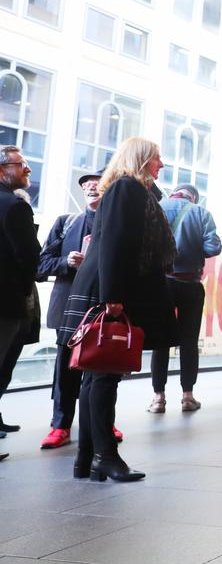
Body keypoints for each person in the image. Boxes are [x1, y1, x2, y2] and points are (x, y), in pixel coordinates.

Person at [57, 137, 176, 481]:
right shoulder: (127, 188)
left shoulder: (126, 189)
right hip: (110, 292)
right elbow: (112, 245)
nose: (161, 164)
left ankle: (88, 459)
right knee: (103, 375)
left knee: (97, 375)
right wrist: (112, 296)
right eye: (157, 157)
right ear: (141, 159)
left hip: (109, 289)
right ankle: (105, 456)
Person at [36, 170, 123, 449]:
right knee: (65, 369)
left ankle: (102, 421)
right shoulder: (66, 222)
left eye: (98, 184)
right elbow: (41, 265)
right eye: (87, 185)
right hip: (69, 307)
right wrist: (66, 262)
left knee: (102, 366)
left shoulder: (115, 224)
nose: (91, 187)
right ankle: (60, 425)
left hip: (102, 304)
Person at [148, 184, 222, 414]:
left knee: (160, 341)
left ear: (174, 193)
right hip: (190, 284)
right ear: (194, 197)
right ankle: (188, 397)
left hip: (162, 284)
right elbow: (213, 246)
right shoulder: (201, 213)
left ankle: (158, 398)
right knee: (189, 341)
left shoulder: (157, 208)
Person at [0, 151, 42, 451]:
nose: (28, 168)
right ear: (3, 170)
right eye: (20, 164)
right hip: (6, 300)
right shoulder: (14, 206)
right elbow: (29, 256)